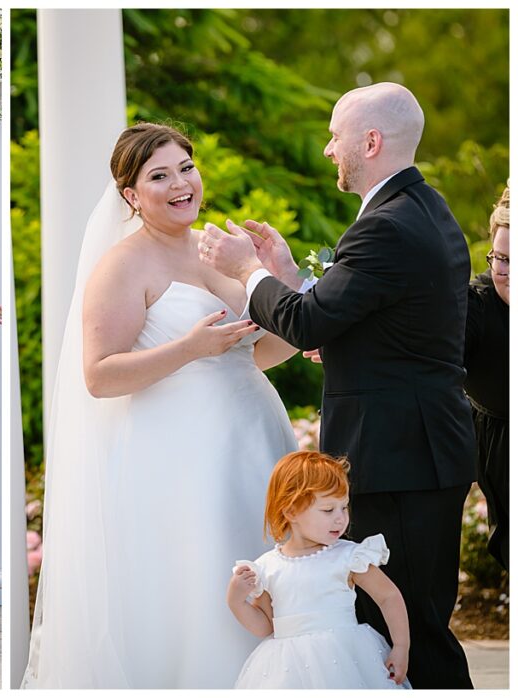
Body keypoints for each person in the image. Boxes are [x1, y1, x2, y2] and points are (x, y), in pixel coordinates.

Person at [202, 82, 476, 688]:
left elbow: (306, 325)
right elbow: (380, 324)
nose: (329, 149)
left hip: (402, 457)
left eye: (336, 136)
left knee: (417, 634)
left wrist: (246, 269)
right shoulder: (422, 209)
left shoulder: (387, 225)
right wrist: (289, 275)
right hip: (418, 449)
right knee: (396, 628)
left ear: (370, 142)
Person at [23, 123, 300, 688]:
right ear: (131, 195)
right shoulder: (124, 265)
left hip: (254, 440)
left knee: (268, 569)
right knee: (203, 576)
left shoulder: (220, 252)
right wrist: (189, 349)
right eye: (159, 176)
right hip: (180, 457)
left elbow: (262, 352)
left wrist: (285, 276)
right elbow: (98, 376)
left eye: (186, 168)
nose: (181, 184)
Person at [228, 451, 410, 689]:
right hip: (287, 668)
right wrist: (236, 600)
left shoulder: (348, 556)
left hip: (346, 657)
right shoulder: (267, 567)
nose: (340, 518)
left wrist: (400, 647)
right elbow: (265, 626)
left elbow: (388, 596)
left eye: (344, 508)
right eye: (328, 510)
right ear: (291, 511)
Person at [464, 185, 509, 570]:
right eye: (502, 259)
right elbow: (424, 350)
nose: (508, 273)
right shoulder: (476, 304)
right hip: (502, 447)